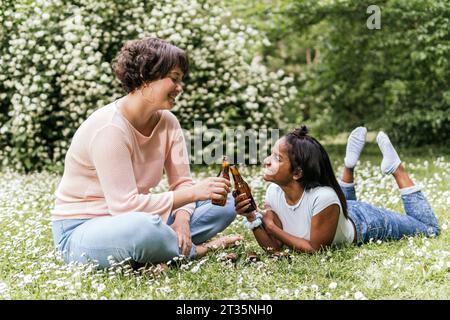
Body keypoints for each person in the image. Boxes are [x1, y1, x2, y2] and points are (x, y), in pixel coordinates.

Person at [52, 37, 241, 269]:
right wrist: (193, 194)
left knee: (225, 202)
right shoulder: (109, 128)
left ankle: (163, 246)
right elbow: (125, 207)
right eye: (174, 79)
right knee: (144, 229)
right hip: (84, 229)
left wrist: (182, 219)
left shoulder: (169, 123)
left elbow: (182, 183)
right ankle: (197, 250)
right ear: (145, 77)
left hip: (138, 217)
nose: (180, 88)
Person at [234, 125, 440, 253]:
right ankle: (349, 165)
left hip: (365, 222)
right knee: (340, 203)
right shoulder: (274, 192)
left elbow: (315, 248)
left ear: (297, 173)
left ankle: (397, 169)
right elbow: (275, 246)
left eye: (277, 158)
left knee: (430, 230)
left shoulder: (324, 198)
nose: (267, 161)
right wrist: (252, 217)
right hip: (335, 212)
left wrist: (270, 227)